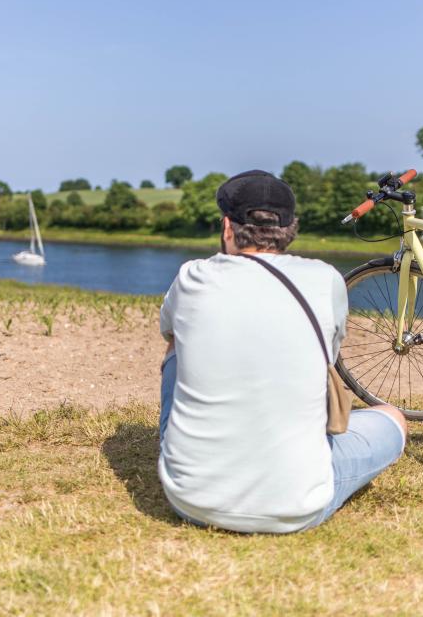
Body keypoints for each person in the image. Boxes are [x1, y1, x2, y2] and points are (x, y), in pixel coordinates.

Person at [157, 169, 406, 533]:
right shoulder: (325, 279)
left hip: (190, 497)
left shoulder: (192, 276)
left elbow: (169, 333)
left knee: (178, 345)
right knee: (393, 417)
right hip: (296, 505)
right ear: (292, 229)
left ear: (228, 227)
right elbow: (328, 355)